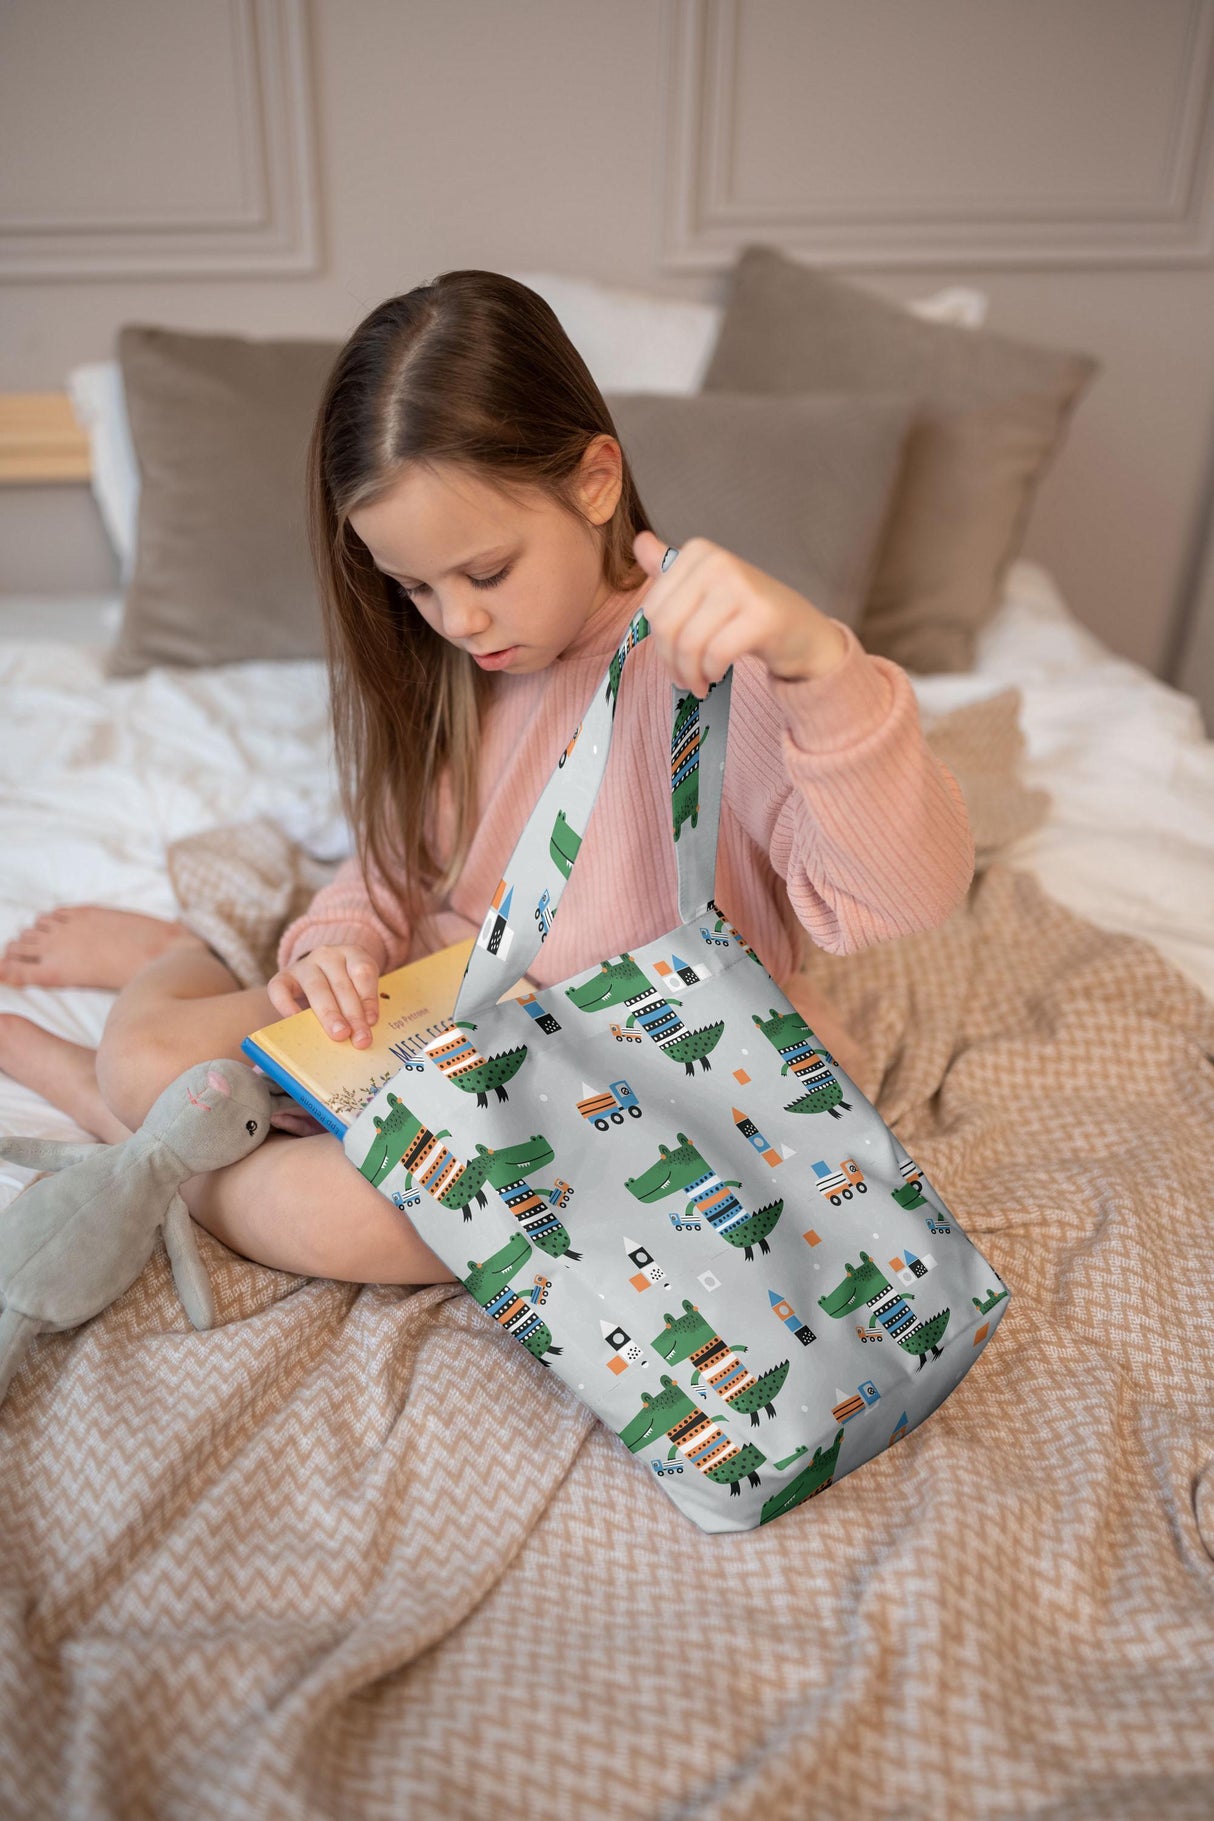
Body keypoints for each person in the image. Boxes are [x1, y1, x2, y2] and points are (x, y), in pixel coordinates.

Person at [0, 269, 974, 1289]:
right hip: (434, 1012)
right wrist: (336, 943)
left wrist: (822, 666)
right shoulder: (459, 668)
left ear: (595, 481)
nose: (456, 620)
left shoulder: (718, 665)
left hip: (625, 1077)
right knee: (146, 1059)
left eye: (486, 573)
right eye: (413, 586)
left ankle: (142, 1144)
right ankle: (173, 972)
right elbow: (392, 869)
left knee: (368, 1225)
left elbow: (898, 897)